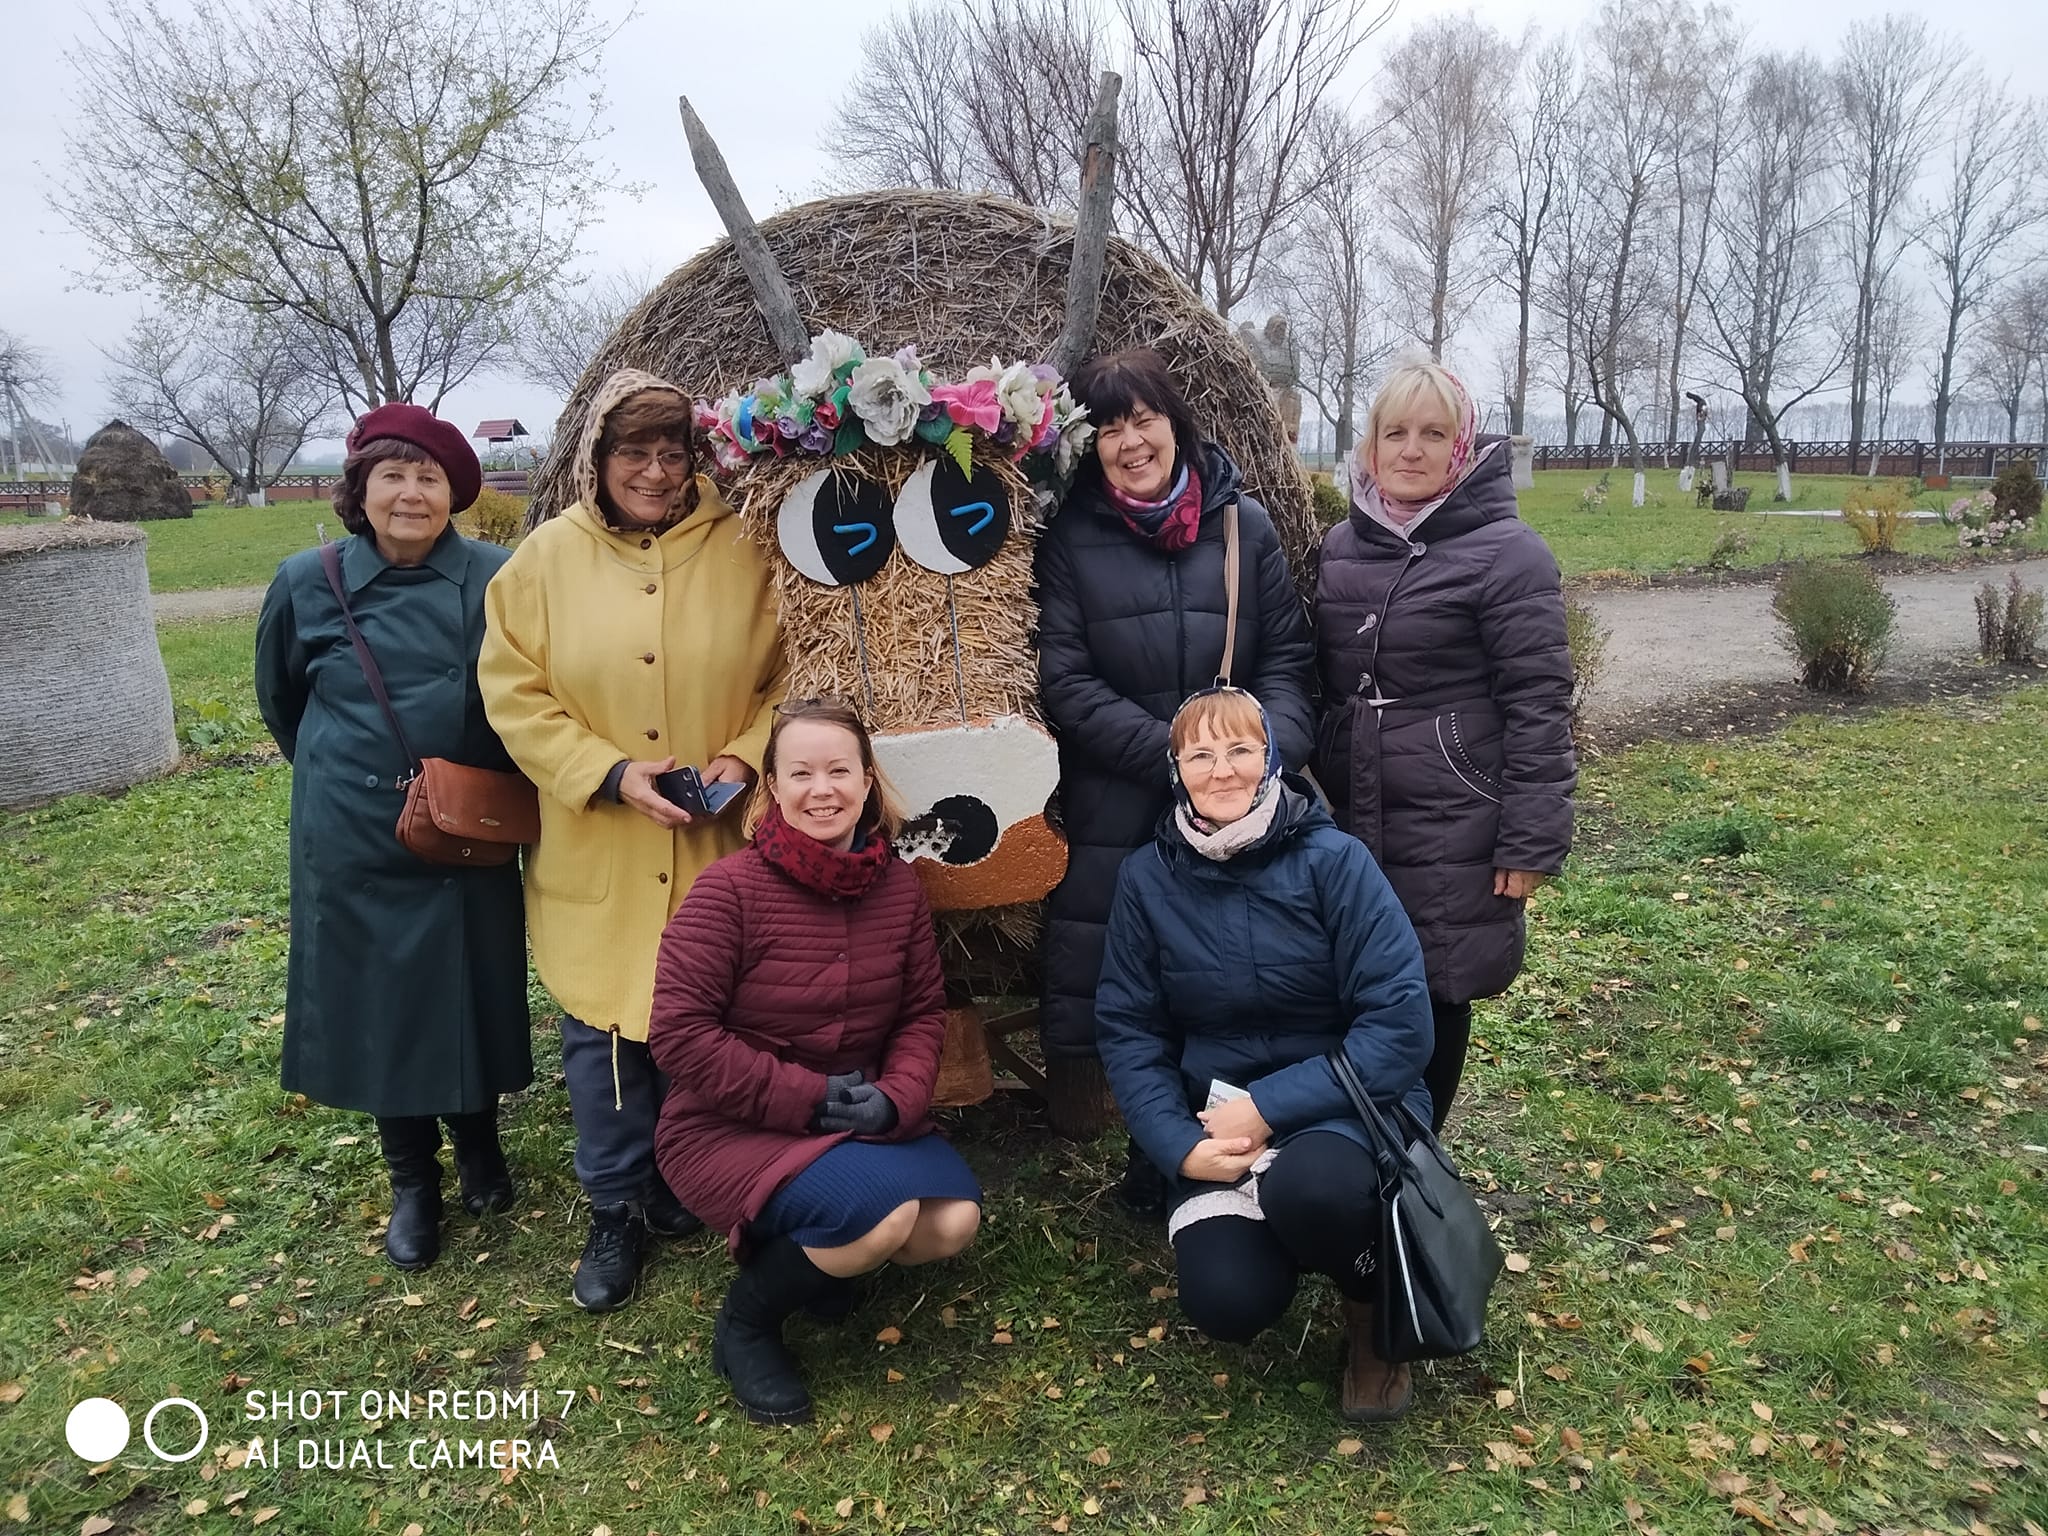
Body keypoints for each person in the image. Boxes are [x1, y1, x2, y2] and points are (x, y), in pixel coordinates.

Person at [479, 369, 787, 1312]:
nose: (654, 472)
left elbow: (792, 674)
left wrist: (746, 756)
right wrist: (608, 773)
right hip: (600, 843)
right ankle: (614, 1206)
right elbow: (513, 694)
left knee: (709, 1015)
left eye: (671, 453)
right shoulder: (542, 561)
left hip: (713, 839)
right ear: (596, 459)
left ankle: (687, 1175)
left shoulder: (746, 548)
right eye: (633, 453)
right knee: (605, 1030)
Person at [1095, 686, 1434, 1421]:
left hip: (1347, 1100)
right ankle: (1292, 1244)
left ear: (1272, 758)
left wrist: (1268, 1107)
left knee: (1314, 1189)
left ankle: (1372, 1306)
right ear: (1177, 770)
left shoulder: (1335, 862)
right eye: (1201, 755)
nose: (1222, 770)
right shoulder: (1146, 879)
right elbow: (1129, 1029)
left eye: (1241, 749)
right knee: (1227, 1303)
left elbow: (1401, 1026)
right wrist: (1177, 1146)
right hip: (1215, 1120)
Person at [1034, 346, 1316, 1212]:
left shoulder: (1243, 528)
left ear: (1175, 423)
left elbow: (1288, 662)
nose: (1131, 442)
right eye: (1108, 428)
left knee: (1240, 972)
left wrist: (1258, 756)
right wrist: (1177, 757)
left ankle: (1257, 1145)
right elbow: (1065, 680)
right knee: (1141, 978)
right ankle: (1156, 1153)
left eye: (1144, 419)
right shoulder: (1071, 538)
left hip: (1243, 798)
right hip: (1125, 797)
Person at [648, 699, 982, 1425]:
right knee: (884, 1220)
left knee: (952, 1222)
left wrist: (897, 1098)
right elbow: (679, 1034)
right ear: (773, 786)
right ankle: (748, 1324)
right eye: (800, 773)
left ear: (867, 781)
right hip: (728, 1126)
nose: (821, 789)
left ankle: (820, 1254)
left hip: (858, 1111)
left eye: (839, 771)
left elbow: (921, 1013)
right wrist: (806, 1096)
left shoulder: (897, 887)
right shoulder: (728, 891)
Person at [255, 403, 530, 1271]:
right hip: (354, 832)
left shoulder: (498, 576)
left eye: (429, 478)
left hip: (468, 824)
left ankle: (479, 1142)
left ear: (454, 494)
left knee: (468, 983)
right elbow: (282, 701)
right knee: (379, 1000)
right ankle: (412, 1178)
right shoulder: (307, 581)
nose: (411, 494)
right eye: (393, 476)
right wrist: (353, 774)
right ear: (360, 490)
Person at [1312, 358, 1576, 1133]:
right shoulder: (1341, 546)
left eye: (1433, 434)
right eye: (1395, 432)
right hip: (1352, 804)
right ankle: (1354, 1146)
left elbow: (1538, 705)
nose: (1411, 450)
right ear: (1370, 445)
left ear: (1461, 447)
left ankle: (1419, 1152)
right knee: (1354, 973)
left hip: (1455, 810)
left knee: (1438, 978)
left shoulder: (1509, 554)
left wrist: (1530, 840)